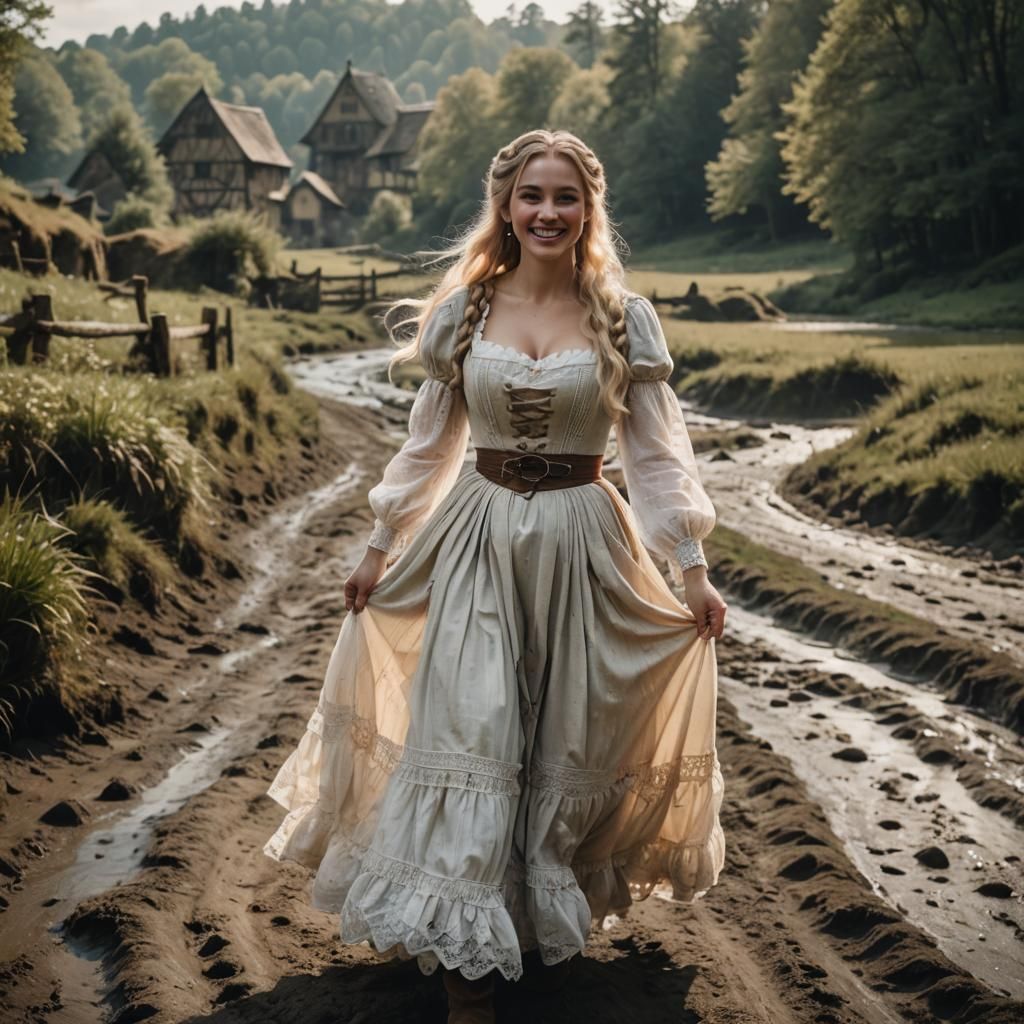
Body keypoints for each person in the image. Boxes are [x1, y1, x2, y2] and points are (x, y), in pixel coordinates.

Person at [263, 128, 728, 1023]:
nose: (547, 212)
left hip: (584, 541)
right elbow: (429, 445)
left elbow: (658, 456)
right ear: (506, 208)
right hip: (475, 539)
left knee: (561, 736)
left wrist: (692, 571)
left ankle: (522, 913)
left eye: (565, 197)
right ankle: (466, 975)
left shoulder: (622, 317)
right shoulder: (467, 310)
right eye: (531, 196)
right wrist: (378, 547)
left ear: (588, 209)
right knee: (474, 728)